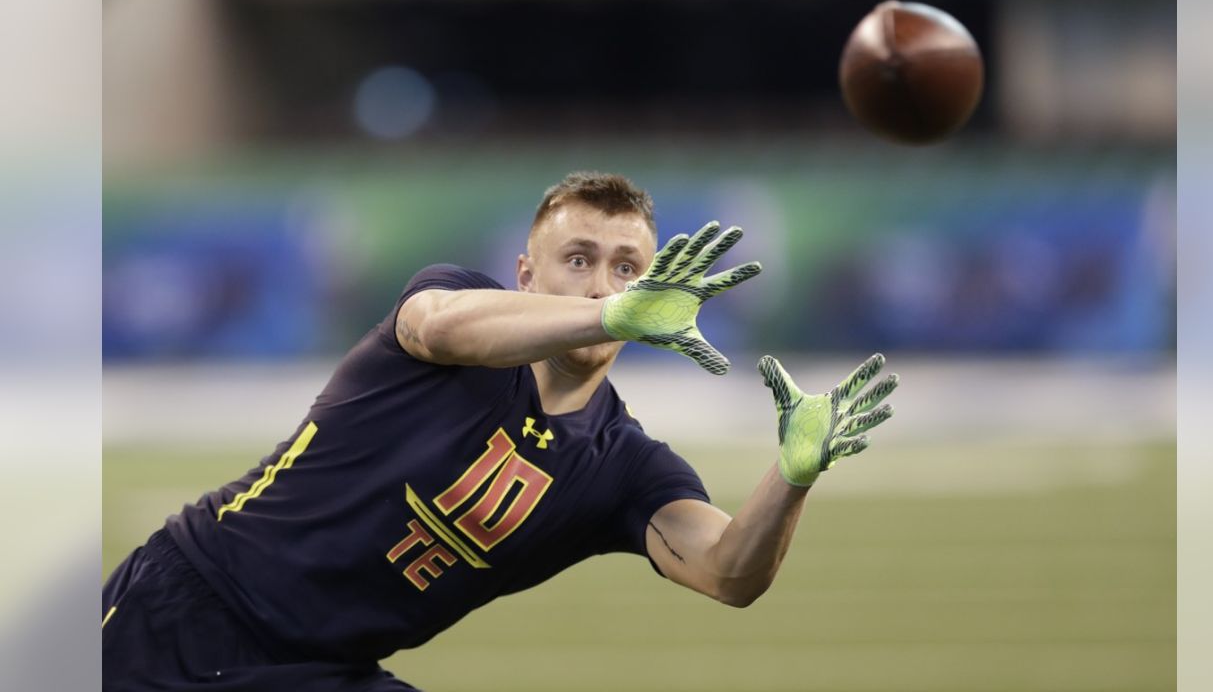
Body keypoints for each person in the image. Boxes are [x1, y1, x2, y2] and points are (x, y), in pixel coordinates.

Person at [101, 171, 898, 691]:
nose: (602, 283)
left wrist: (792, 476)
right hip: (186, 608)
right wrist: (609, 313)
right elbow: (442, 327)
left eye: (627, 269)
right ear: (526, 274)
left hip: (324, 669)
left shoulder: (620, 465)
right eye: (579, 259)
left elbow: (729, 573)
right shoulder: (454, 304)